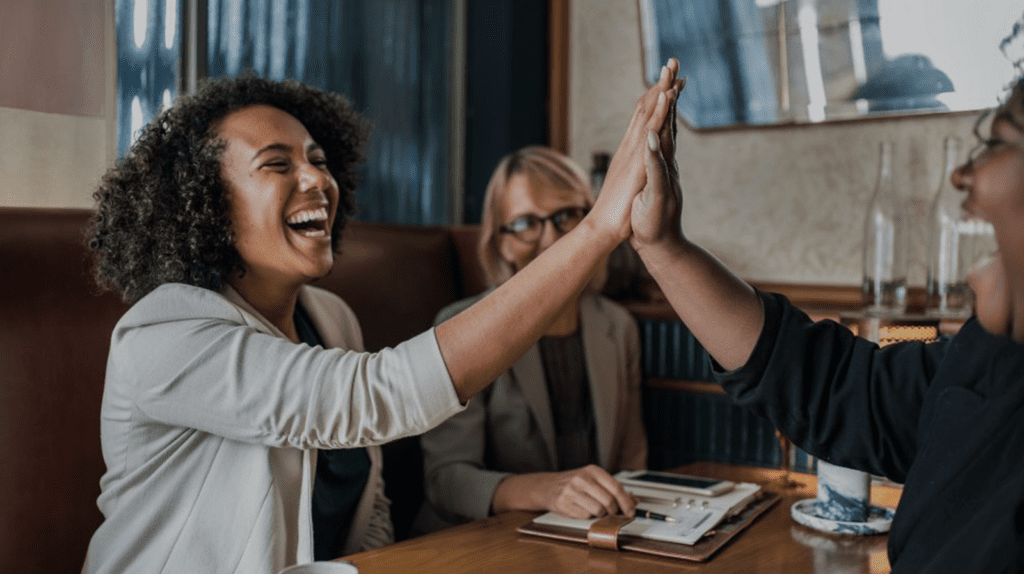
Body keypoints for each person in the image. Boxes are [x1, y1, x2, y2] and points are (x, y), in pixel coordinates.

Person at [81, 62, 682, 574]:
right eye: (277, 164)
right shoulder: (165, 334)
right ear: (205, 204)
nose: (317, 179)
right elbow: (377, 396)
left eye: (318, 160)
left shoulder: (331, 317)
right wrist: (600, 227)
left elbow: (368, 510)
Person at [629, 67, 1024, 571]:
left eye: (998, 142)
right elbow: (848, 392)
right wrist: (663, 248)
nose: (962, 175)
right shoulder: (993, 352)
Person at [416, 147, 647, 532]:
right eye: (525, 223)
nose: (551, 239)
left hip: (588, 538)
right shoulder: (458, 325)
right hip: (481, 541)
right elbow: (446, 481)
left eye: (566, 216)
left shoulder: (618, 326)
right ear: (500, 242)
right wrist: (546, 492)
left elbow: (632, 462)